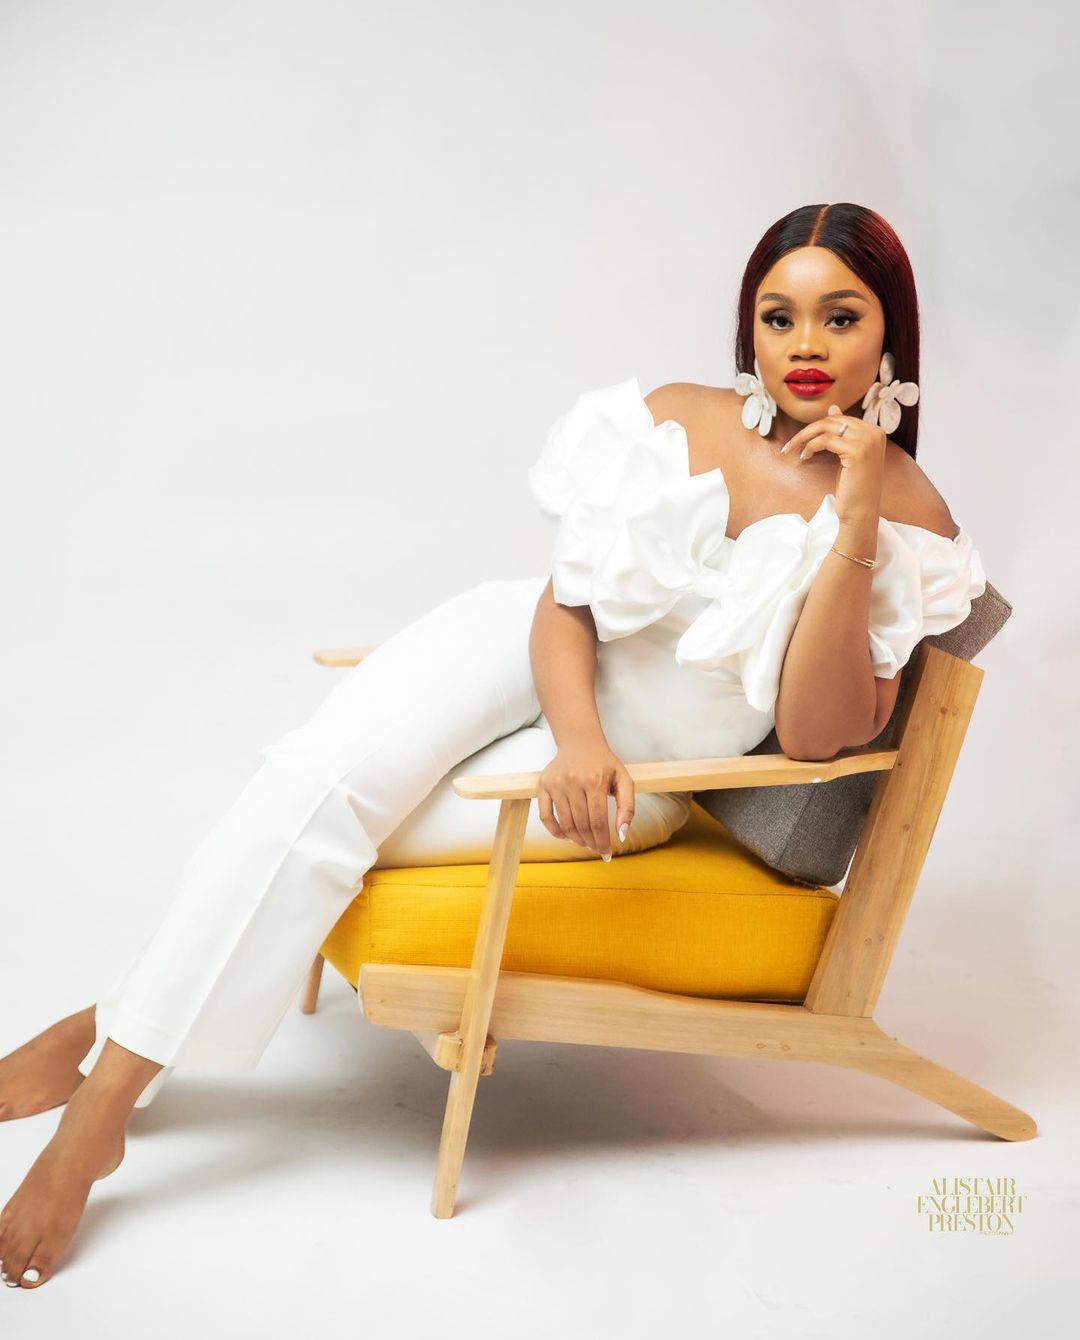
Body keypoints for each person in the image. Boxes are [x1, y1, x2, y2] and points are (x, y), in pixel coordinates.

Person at [0, 202, 986, 1288]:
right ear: (746, 327)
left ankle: (107, 1032)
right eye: (777, 315)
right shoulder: (673, 418)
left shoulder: (916, 525)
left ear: (890, 333)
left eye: (840, 317)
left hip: (642, 775)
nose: (805, 345)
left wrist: (854, 519)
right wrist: (574, 737)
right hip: (526, 657)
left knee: (340, 834)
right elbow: (566, 606)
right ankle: (102, 1106)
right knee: (310, 786)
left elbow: (811, 730)